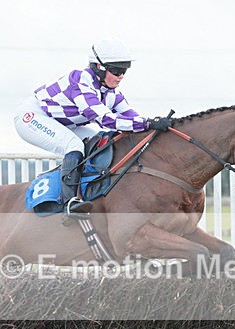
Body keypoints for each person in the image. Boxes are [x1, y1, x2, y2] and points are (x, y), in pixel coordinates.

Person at [13, 38, 173, 224]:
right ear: (98, 67)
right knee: (73, 146)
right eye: (116, 70)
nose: (121, 76)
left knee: (100, 141)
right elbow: (105, 119)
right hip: (33, 117)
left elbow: (132, 119)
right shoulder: (81, 81)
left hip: (64, 123)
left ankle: (90, 191)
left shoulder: (111, 92)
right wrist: (147, 123)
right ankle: (69, 203)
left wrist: (158, 125)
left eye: (124, 70)